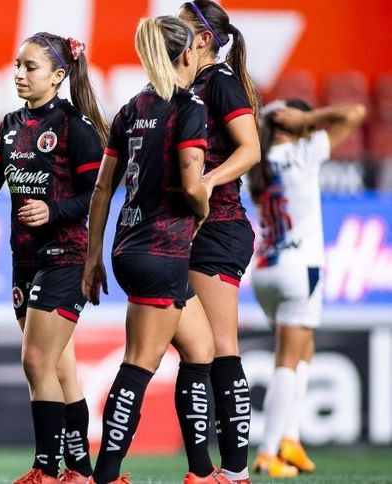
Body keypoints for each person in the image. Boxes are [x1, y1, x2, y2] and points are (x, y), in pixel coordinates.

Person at [0, 30, 108, 484]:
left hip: (66, 256)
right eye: (17, 65)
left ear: (59, 75)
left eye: (31, 66)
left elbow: (99, 194)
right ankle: (79, 471)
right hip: (24, 261)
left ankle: (46, 469)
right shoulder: (10, 124)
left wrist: (54, 210)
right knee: (60, 367)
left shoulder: (75, 126)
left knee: (36, 362)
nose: (20, 74)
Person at [82, 16, 210, 484]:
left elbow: (102, 189)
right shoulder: (188, 107)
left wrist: (93, 258)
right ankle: (105, 475)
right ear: (187, 53)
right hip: (164, 248)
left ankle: (201, 472)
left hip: (129, 245)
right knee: (139, 363)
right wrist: (204, 209)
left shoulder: (132, 109)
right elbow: (193, 185)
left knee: (201, 349)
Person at [248, 99, 365, 478]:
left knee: (303, 350)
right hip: (300, 269)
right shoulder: (302, 154)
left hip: (265, 270)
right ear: (296, 123)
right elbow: (356, 112)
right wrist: (311, 117)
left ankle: (291, 438)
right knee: (287, 360)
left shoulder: (258, 164)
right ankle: (268, 452)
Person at [177, 2, 262, 481]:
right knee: (197, 349)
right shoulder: (190, 85)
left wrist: (207, 181)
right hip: (193, 228)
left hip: (218, 225)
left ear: (204, 38)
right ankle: (209, 470)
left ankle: (233, 471)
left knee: (219, 348)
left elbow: (250, 148)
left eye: (182, 26)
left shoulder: (219, 82)